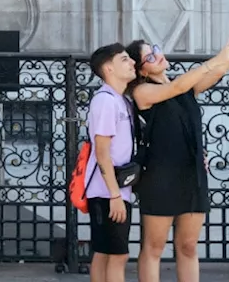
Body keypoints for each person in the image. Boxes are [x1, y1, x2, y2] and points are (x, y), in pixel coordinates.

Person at [127, 17, 229, 282]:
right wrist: (214, 59)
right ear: (141, 71)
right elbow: (178, 86)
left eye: (156, 50)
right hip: (160, 177)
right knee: (154, 247)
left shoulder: (183, 86)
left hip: (192, 172)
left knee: (188, 246)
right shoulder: (143, 92)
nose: (158, 56)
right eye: (150, 56)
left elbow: (213, 74)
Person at [83, 43, 141, 282]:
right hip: (107, 192)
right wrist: (115, 196)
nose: (133, 63)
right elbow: (102, 152)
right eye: (125, 59)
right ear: (109, 68)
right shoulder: (106, 101)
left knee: (106, 253)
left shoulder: (120, 100)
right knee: (117, 255)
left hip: (113, 190)